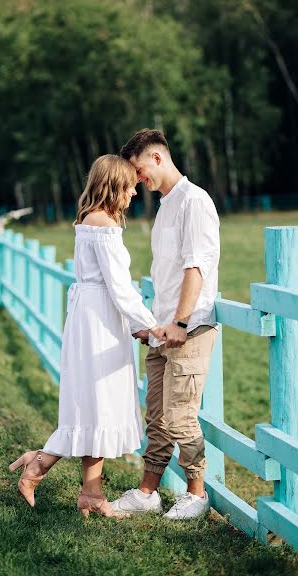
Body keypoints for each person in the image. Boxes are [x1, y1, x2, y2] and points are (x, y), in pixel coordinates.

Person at [9, 154, 165, 518]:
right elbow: (120, 289)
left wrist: (134, 323)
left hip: (94, 315)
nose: (133, 195)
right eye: (128, 188)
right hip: (99, 321)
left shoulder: (91, 219)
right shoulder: (103, 225)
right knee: (95, 403)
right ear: (113, 186)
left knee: (97, 406)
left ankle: (91, 494)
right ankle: (39, 466)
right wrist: (151, 323)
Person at [111, 129, 220, 519]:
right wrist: (152, 325)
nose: (138, 179)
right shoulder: (166, 207)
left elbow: (196, 268)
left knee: (180, 416)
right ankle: (147, 492)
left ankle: (197, 493)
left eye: (139, 169)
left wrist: (179, 322)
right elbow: (167, 275)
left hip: (188, 330)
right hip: (162, 332)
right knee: (156, 418)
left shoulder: (195, 201)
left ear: (157, 158)